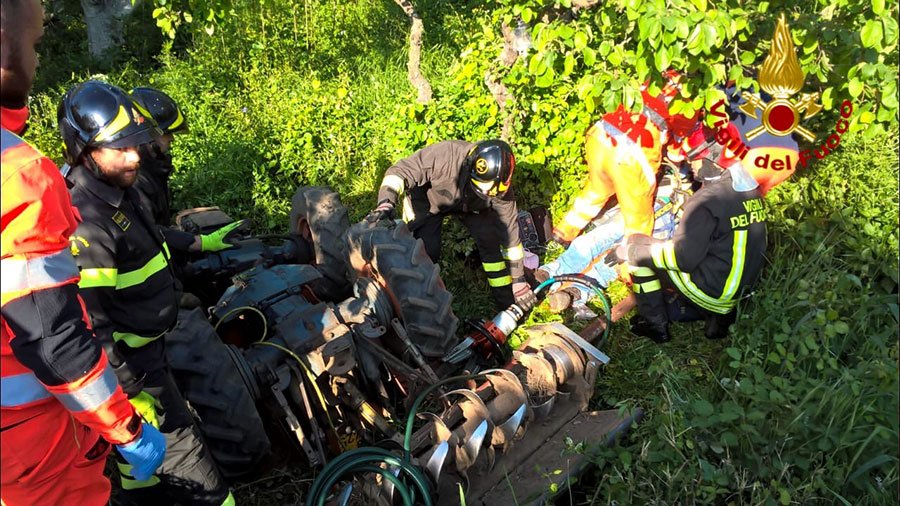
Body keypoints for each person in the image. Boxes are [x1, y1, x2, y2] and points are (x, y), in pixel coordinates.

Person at [1, 1, 165, 504]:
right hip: (36, 452)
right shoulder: (18, 176)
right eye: (34, 43)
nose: (35, 58)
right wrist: (127, 429)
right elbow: (53, 339)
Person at [58, 79, 235, 506]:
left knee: (141, 474)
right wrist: (128, 394)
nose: (134, 156)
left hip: (152, 351)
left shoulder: (121, 191)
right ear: (85, 150)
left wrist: (197, 244)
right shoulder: (89, 223)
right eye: (120, 148)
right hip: (134, 373)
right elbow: (89, 327)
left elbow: (150, 236)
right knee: (203, 481)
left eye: (136, 144)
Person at [616, 131, 767, 343]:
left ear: (710, 159)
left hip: (713, 292)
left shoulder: (706, 200)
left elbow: (682, 259)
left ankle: (655, 326)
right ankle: (718, 323)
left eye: (694, 160)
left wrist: (631, 252)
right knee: (641, 243)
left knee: (637, 256)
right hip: (739, 295)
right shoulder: (748, 190)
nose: (693, 168)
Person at [367, 139, 536, 310]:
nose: (487, 194)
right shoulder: (444, 156)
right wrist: (385, 203)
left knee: (491, 243)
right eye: (482, 189)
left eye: (490, 193)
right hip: (429, 202)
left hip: (472, 208)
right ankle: (411, 303)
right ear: (470, 167)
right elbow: (399, 172)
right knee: (424, 252)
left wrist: (518, 280)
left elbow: (511, 237)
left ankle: (506, 303)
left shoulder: (498, 190)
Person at [551, 70, 698, 246]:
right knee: (639, 218)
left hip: (600, 136)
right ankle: (632, 266)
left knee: (596, 189)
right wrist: (675, 162)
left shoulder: (654, 73)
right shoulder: (688, 98)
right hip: (632, 155)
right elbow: (677, 146)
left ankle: (565, 231)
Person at [129, 86, 186, 226]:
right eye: (167, 133)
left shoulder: (153, 167)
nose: (172, 138)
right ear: (147, 135)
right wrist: (195, 241)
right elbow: (150, 234)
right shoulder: (135, 179)